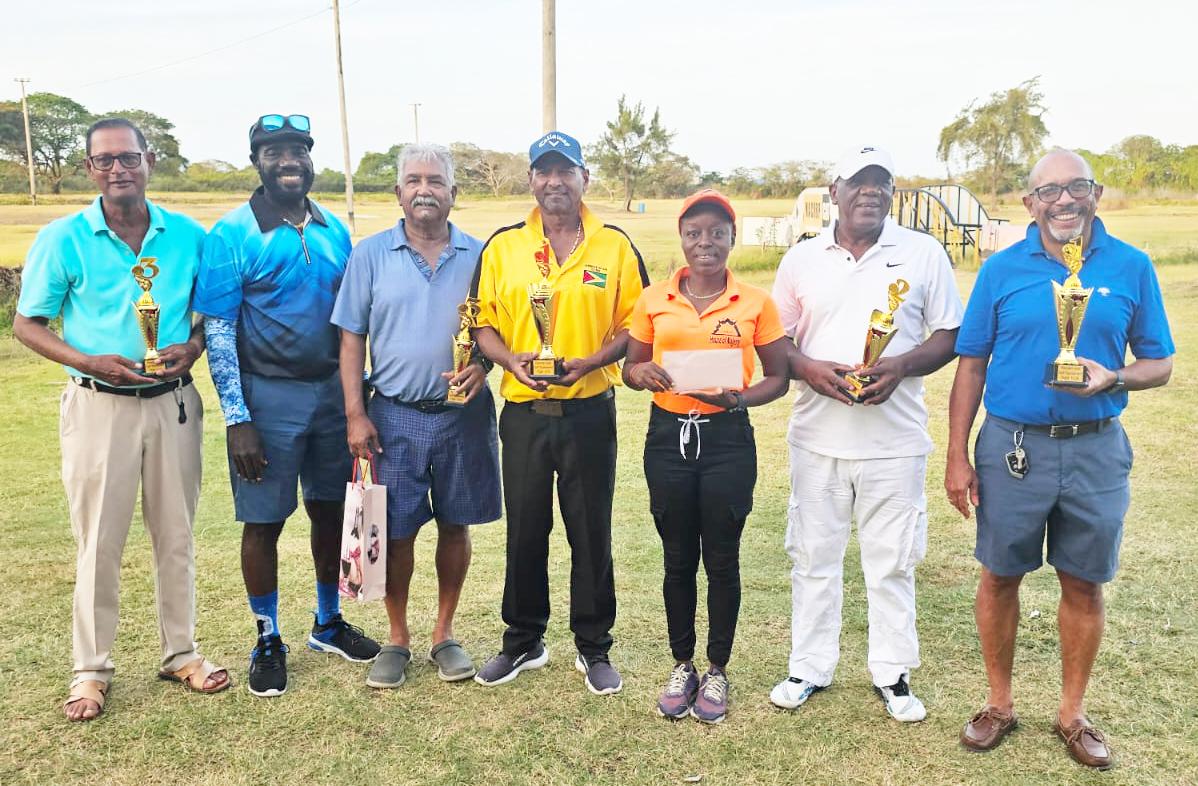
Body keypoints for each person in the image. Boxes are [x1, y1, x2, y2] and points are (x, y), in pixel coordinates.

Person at [946, 149, 1174, 769]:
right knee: (999, 575)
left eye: (1076, 187)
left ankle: (1072, 714)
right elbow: (971, 364)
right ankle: (998, 704)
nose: (1064, 200)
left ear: (1095, 193)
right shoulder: (1000, 270)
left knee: (1084, 580)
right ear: (1030, 203)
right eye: (1049, 191)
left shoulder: (1131, 266)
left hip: (1096, 448)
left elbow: (1159, 362)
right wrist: (957, 455)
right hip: (1012, 447)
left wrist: (1115, 377)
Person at [14, 117, 229, 721]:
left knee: (176, 535)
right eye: (105, 160)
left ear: (148, 161)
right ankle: (91, 670)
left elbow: (207, 317)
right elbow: (26, 323)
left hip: (172, 402)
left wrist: (193, 346)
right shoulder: (64, 238)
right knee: (99, 541)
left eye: (128, 158)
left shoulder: (187, 235)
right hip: (98, 405)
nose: (117, 170)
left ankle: (181, 653)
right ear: (89, 168)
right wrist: (87, 361)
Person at [768, 146, 963, 722]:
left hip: (894, 441)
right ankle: (809, 666)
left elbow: (949, 334)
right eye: (859, 182)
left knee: (892, 561)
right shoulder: (802, 259)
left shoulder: (922, 253)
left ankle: (893, 672)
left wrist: (899, 366)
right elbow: (775, 340)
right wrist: (809, 369)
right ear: (835, 191)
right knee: (813, 558)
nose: (870, 192)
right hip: (816, 438)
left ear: (892, 193)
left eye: (882, 183)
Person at [193, 114, 380, 698]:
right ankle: (268, 635)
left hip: (332, 394)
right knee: (264, 521)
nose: (288, 161)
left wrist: (357, 395)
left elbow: (352, 321)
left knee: (331, 512)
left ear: (310, 159)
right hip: (267, 396)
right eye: (274, 152)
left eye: (298, 150)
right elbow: (218, 328)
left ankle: (328, 622)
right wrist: (237, 417)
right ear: (257, 162)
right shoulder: (231, 234)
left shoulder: (332, 229)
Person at [471, 130, 648, 694]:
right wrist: (510, 361)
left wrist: (592, 361)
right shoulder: (503, 246)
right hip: (525, 413)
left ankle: (593, 647)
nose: (555, 182)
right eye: (544, 171)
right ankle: (523, 640)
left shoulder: (615, 246)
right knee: (526, 529)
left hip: (589, 412)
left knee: (590, 531)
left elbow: (638, 325)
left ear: (584, 178)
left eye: (565, 171)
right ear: (531, 180)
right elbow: (481, 322)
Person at [332, 144, 502, 689]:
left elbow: (495, 333)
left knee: (456, 523)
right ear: (398, 192)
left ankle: (444, 634)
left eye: (435, 180)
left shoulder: (481, 255)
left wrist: (482, 368)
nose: (424, 189)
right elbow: (351, 338)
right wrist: (355, 414)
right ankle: (397, 637)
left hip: (462, 416)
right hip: (393, 414)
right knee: (396, 529)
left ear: (454, 192)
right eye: (413, 180)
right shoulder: (370, 254)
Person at [623, 189, 789, 723]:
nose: (705, 242)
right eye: (694, 232)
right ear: (681, 238)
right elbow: (630, 369)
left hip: (727, 439)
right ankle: (682, 663)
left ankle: (717, 668)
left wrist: (738, 399)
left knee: (721, 558)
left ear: (732, 238)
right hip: (667, 437)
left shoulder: (755, 302)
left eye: (717, 232)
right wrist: (641, 373)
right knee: (676, 557)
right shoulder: (654, 299)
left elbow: (779, 377)